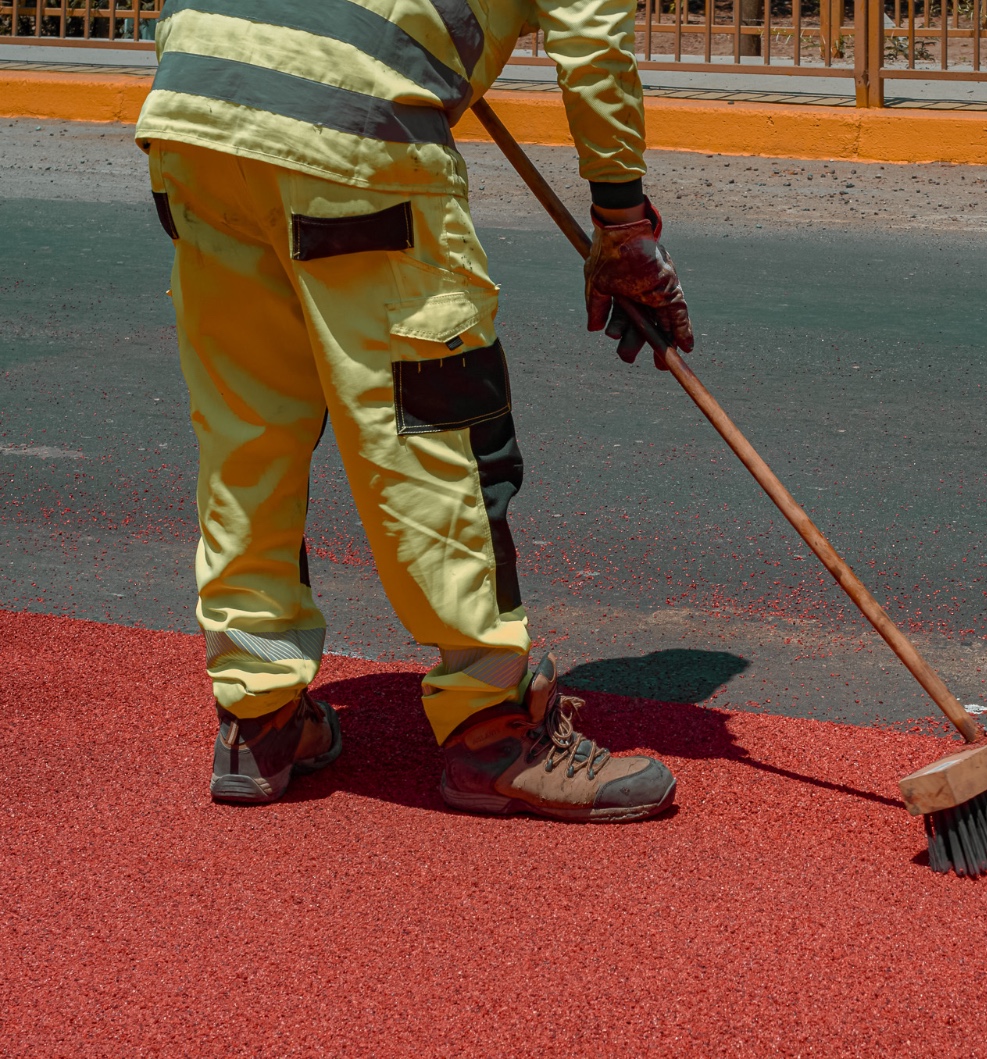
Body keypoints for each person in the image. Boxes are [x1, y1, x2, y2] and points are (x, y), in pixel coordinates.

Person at [134, 0, 693, 821]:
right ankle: (495, 726)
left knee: (250, 435)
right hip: (348, 134)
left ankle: (258, 717)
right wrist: (621, 221)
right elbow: (593, 40)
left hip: (195, 110)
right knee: (434, 430)